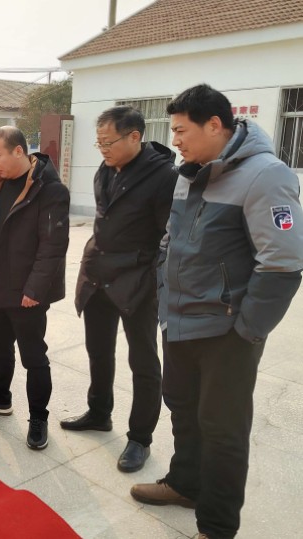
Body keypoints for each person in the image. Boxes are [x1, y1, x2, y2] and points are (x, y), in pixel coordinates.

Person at [130, 84, 303, 539]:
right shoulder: (189, 172)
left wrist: (247, 330)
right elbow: (171, 238)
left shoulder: (267, 176)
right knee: (183, 410)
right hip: (179, 320)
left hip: (227, 332)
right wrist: (163, 289)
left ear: (214, 125)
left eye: (181, 130)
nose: (175, 140)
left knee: (223, 430)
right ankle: (185, 485)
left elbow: (283, 263)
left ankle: (218, 526)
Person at [61, 106, 177, 472]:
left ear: (135, 137)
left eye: (108, 142)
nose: (103, 149)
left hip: (137, 281)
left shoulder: (164, 177)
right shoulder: (106, 168)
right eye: (99, 143)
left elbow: (168, 238)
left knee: (143, 361)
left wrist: (153, 278)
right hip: (98, 276)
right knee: (98, 351)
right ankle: (99, 413)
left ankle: (140, 438)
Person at [0, 126, 69, 450]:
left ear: (19, 151)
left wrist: (35, 289)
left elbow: (53, 246)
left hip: (26, 290)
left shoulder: (49, 189)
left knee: (33, 356)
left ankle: (38, 417)